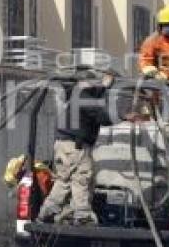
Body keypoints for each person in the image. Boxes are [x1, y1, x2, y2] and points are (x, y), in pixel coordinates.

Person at [36, 72, 118, 225]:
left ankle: (46, 213)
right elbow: (104, 118)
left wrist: (104, 87)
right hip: (75, 146)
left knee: (64, 180)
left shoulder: (76, 95)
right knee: (82, 178)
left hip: (64, 145)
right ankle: (82, 216)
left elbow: (92, 99)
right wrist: (124, 116)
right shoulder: (83, 97)